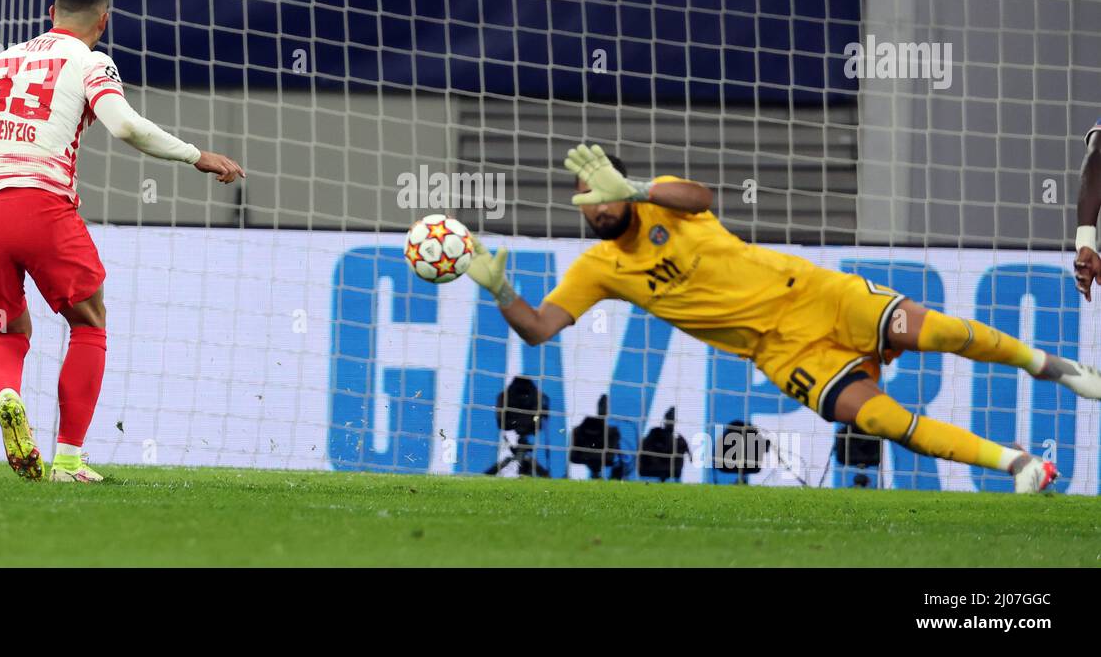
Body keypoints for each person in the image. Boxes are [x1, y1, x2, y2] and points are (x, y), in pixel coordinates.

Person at [468, 144, 1101, 492]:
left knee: (940, 331)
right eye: (585, 202)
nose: (594, 208)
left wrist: (634, 190)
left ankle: (1057, 367)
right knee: (880, 420)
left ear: (621, 187)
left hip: (812, 293)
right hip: (779, 353)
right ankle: (1018, 465)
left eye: (601, 193)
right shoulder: (596, 269)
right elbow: (542, 328)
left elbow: (703, 195)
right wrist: (502, 292)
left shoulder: (666, 202)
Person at [0, 0, 244, 482]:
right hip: (41, 204)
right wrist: (195, 155)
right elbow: (124, 126)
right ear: (104, 20)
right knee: (88, 321)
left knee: (6, 329)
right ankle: (69, 461)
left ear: (51, 13)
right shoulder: (91, 61)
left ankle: (7, 394)